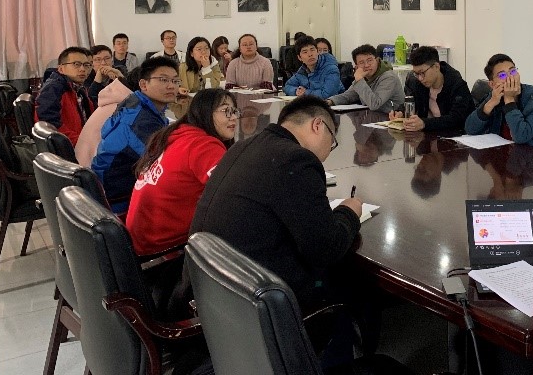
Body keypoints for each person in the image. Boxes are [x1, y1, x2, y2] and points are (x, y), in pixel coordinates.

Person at [189, 96, 363, 308]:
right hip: (259, 302)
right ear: (318, 125)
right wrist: (349, 211)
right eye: (332, 140)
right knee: (356, 285)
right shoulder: (297, 159)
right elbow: (326, 249)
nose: (328, 151)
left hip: (213, 289)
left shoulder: (242, 146)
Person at [126, 89, 236, 256]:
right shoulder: (204, 146)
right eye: (225, 110)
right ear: (205, 112)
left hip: (139, 241)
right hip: (163, 251)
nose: (233, 117)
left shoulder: (176, 134)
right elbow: (234, 195)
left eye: (234, 111)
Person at [92, 57, 178, 213]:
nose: (171, 86)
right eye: (163, 80)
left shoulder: (136, 102)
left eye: (175, 81)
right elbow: (163, 163)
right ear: (143, 84)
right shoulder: (140, 121)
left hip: (110, 184)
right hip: (115, 197)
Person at [465, 53, 533, 151]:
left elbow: (521, 136)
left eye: (513, 71)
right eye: (502, 75)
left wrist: (509, 100)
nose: (510, 78)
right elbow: (470, 129)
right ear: (492, 84)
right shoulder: (495, 95)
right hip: (506, 153)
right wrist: (491, 103)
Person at [390, 46, 473, 132]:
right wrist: (400, 112)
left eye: (422, 73)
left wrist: (424, 123)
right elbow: (412, 101)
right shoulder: (417, 83)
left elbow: (456, 118)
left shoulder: (457, 85)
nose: (420, 78)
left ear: (436, 67)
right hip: (430, 135)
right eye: (416, 74)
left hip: (455, 135)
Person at [77, 67, 140, 167]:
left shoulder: (118, 101)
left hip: (84, 165)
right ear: (144, 85)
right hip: (93, 170)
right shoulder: (125, 110)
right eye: (163, 80)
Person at [35, 46, 96, 146]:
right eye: (76, 64)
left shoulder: (79, 89)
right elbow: (49, 125)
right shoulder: (54, 88)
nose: (82, 69)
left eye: (86, 65)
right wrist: (83, 143)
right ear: (61, 69)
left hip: (83, 141)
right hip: (69, 147)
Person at [328, 44, 403, 113]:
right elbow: (348, 96)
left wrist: (359, 79)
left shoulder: (389, 77)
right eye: (361, 62)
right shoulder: (364, 76)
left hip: (391, 118)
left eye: (369, 60)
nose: (366, 65)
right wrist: (329, 101)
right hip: (372, 117)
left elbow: (375, 104)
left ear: (377, 60)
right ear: (357, 66)